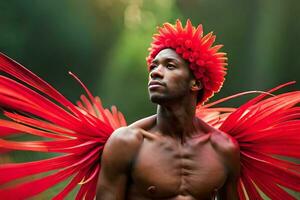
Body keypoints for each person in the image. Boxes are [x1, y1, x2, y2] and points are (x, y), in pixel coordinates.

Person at [97, 19, 240, 199]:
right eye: (154, 66)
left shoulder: (224, 149)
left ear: (195, 82)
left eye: (170, 66)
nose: (155, 72)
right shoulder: (127, 143)